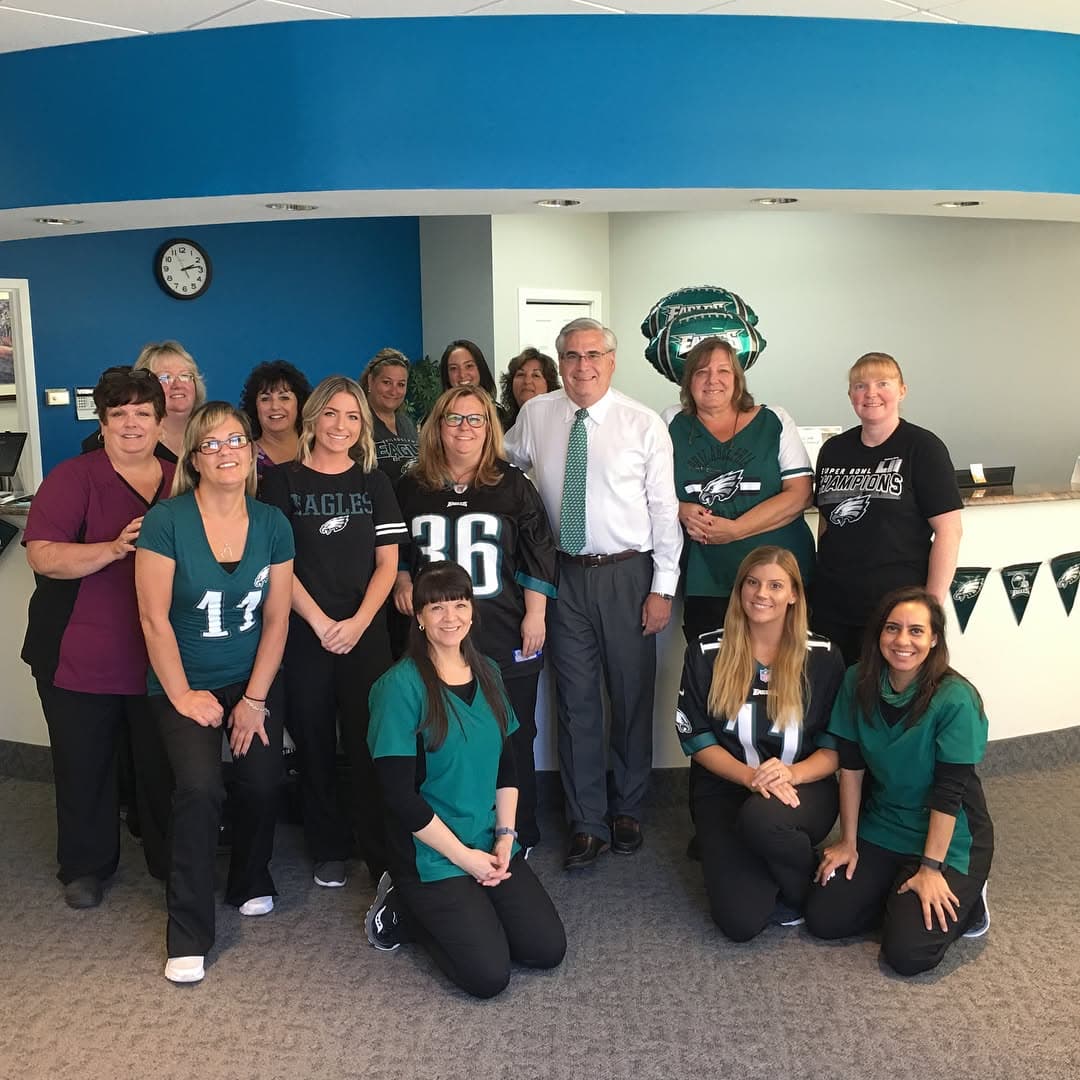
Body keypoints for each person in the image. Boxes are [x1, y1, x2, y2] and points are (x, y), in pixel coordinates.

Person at [504, 317, 682, 869]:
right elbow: (502, 463)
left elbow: (664, 511)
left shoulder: (643, 423)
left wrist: (663, 588)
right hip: (562, 576)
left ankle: (627, 809)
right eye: (572, 356)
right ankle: (586, 820)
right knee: (576, 703)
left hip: (628, 574)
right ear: (560, 364)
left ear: (611, 360)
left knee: (630, 696)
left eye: (593, 355)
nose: (583, 366)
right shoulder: (537, 414)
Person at [135, 402, 294, 984]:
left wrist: (252, 702)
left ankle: (250, 877)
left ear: (251, 452)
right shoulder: (167, 521)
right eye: (211, 444)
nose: (225, 453)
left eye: (236, 441)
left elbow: (276, 620)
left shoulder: (273, 522)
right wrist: (182, 696)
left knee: (262, 778)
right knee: (199, 790)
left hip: (249, 676)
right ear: (194, 457)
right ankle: (188, 932)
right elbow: (153, 620)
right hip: (182, 679)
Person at [366, 561, 566, 998]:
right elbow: (399, 796)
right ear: (418, 617)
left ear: (473, 612)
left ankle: (471, 903)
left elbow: (508, 767)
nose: (450, 617)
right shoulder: (398, 688)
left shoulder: (490, 673)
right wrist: (466, 859)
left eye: (459, 604)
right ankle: (405, 904)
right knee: (488, 976)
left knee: (545, 949)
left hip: (486, 839)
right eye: (436, 608)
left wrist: (503, 839)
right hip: (430, 853)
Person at [22, 366, 174, 908]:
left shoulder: (183, 477)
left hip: (162, 658)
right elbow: (41, 553)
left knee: (163, 768)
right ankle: (85, 868)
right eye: (119, 414)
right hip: (78, 655)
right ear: (103, 423)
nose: (131, 424)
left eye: (142, 414)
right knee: (85, 766)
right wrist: (111, 548)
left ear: (160, 422)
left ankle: (169, 860)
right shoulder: (74, 477)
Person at [394, 385, 557, 850]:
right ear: (437, 427)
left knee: (514, 731)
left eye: (475, 419)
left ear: (490, 429)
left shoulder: (513, 485)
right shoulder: (412, 485)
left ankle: (519, 830)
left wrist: (536, 616)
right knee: (439, 733)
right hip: (437, 632)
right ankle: (446, 832)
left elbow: (538, 554)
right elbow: (396, 550)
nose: (464, 428)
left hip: (502, 624)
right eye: (454, 419)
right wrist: (404, 582)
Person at [260, 376, 407, 889]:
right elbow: (279, 564)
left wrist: (358, 623)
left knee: (371, 745)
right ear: (313, 419)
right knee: (315, 743)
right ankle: (328, 848)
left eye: (351, 417)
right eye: (331, 414)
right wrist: (322, 623)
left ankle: (378, 848)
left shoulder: (375, 482)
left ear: (362, 425)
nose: (340, 426)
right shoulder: (282, 482)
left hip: (366, 633)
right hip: (304, 634)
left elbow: (388, 564)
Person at [805, 587, 993, 975]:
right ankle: (896, 891)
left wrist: (930, 868)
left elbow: (949, 793)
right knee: (825, 919)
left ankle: (971, 898)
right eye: (892, 629)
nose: (902, 641)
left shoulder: (956, 699)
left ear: (935, 638)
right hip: (885, 823)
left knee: (909, 954)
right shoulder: (858, 680)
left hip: (949, 838)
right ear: (879, 634)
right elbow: (851, 768)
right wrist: (848, 841)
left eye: (916, 631)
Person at [676, 546, 844, 939]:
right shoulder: (705, 651)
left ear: (794, 594)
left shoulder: (824, 656)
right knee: (740, 922)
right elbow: (696, 738)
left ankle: (799, 879)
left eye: (774, 584)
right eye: (752, 583)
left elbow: (835, 747)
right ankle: (772, 861)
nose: (761, 593)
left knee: (763, 821)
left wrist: (791, 772)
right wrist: (751, 778)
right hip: (726, 789)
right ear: (738, 590)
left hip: (802, 789)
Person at [813, 351, 963, 665]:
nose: (870, 393)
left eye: (883, 383)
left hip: (896, 612)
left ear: (902, 390)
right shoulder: (833, 450)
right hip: (832, 607)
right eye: (860, 386)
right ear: (850, 394)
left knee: (884, 700)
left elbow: (949, 532)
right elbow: (826, 524)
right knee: (834, 699)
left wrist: (929, 608)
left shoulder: (923, 448)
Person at [670, 337, 814, 644]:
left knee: (784, 670)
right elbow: (647, 491)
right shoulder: (670, 422)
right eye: (701, 372)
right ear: (688, 381)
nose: (713, 380)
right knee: (712, 669)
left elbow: (800, 493)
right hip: (707, 577)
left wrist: (735, 529)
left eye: (723, 371)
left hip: (777, 576)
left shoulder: (774, 420)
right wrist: (679, 508)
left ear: (738, 379)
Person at [81, 341, 206, 462]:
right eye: (165, 377)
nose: (178, 385)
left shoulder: (212, 430)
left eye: (185, 376)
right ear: (144, 387)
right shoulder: (112, 438)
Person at [239, 359, 312, 480]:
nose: (275, 406)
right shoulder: (246, 458)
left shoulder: (318, 449)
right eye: (265, 399)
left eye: (284, 398)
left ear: (300, 403)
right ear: (254, 406)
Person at [360, 347, 419, 485]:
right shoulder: (357, 421)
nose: (394, 391)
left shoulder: (406, 423)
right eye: (387, 382)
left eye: (401, 384)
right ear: (370, 381)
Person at [439, 339, 509, 427]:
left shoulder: (499, 416)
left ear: (480, 369)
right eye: (453, 368)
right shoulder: (437, 416)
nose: (462, 374)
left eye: (469, 366)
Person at [499, 346, 560, 429]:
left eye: (535, 375)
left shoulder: (559, 424)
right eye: (521, 374)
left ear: (549, 384)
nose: (527, 381)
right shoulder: (499, 426)